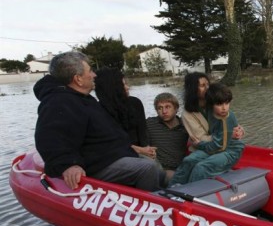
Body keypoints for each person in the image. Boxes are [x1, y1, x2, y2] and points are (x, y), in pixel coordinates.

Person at [33, 51, 162, 191]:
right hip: (97, 164)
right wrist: (68, 164)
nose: (94, 75)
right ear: (78, 79)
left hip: (113, 156)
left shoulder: (82, 98)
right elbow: (50, 137)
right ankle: (151, 205)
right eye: (90, 71)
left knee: (157, 168)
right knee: (147, 168)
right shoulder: (59, 102)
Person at [170, 82, 245, 185]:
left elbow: (219, 146)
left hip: (230, 152)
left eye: (227, 103)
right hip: (216, 147)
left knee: (201, 168)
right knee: (189, 160)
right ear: (210, 103)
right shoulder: (209, 110)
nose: (224, 108)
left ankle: (189, 193)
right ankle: (171, 189)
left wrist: (199, 144)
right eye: (219, 104)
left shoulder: (225, 118)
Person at [94, 67, 156, 160]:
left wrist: (147, 149)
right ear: (112, 88)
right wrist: (140, 150)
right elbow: (113, 142)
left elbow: (142, 132)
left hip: (142, 150)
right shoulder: (99, 110)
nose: (127, 87)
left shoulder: (135, 103)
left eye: (126, 83)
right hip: (118, 154)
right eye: (123, 85)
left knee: (155, 165)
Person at [146, 92, 189, 186]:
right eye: (160, 108)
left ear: (176, 108)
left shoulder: (186, 125)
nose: (164, 111)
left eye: (167, 107)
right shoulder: (150, 124)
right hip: (161, 169)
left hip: (182, 167)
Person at [180, 72, 212, 150]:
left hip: (220, 146)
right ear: (193, 89)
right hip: (202, 151)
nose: (207, 88)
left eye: (208, 84)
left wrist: (238, 130)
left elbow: (229, 124)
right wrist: (225, 135)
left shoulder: (217, 104)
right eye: (202, 85)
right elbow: (200, 139)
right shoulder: (187, 114)